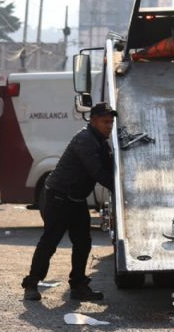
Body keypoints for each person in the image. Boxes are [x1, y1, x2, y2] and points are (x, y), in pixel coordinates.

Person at [22, 102, 116, 301]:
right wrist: (121, 189)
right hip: (58, 198)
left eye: (111, 122)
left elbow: (110, 168)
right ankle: (31, 284)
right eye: (105, 122)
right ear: (93, 121)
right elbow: (98, 172)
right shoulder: (85, 140)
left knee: (83, 242)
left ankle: (78, 286)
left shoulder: (100, 141)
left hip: (76, 199)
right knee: (50, 242)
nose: (109, 126)